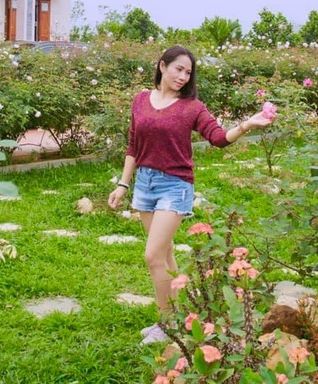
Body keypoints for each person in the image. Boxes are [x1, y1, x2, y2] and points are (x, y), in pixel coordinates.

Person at [107, 44, 275, 345]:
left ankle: (166, 324)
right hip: (144, 185)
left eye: (188, 72)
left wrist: (247, 124)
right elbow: (133, 145)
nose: (183, 76)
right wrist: (123, 184)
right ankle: (182, 316)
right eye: (178, 69)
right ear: (162, 66)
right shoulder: (141, 100)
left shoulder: (192, 108)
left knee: (152, 255)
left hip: (175, 185)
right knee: (166, 254)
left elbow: (219, 138)